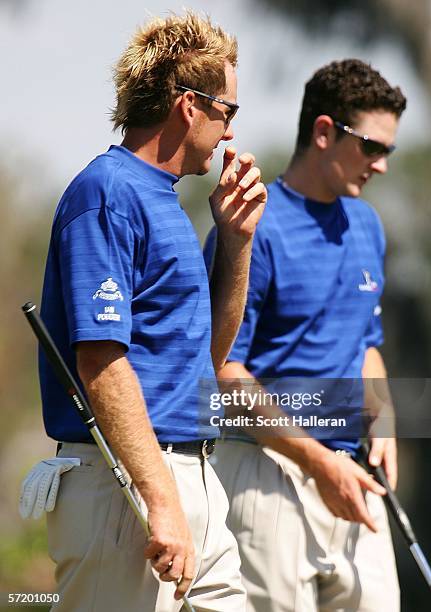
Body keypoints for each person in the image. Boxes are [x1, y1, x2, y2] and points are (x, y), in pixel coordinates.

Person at [38, 12, 266, 612]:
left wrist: (236, 240)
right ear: (189, 105)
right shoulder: (107, 191)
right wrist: (159, 497)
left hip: (192, 477)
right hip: (129, 489)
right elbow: (101, 361)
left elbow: (206, 360)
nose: (230, 133)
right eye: (227, 112)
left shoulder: (164, 201)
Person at [204, 59, 407, 611]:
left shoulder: (367, 225)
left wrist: (382, 422)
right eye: (371, 146)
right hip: (265, 474)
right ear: (323, 133)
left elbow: (366, 344)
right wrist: (318, 462)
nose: (382, 165)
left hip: (350, 476)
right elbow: (223, 371)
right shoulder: (252, 226)